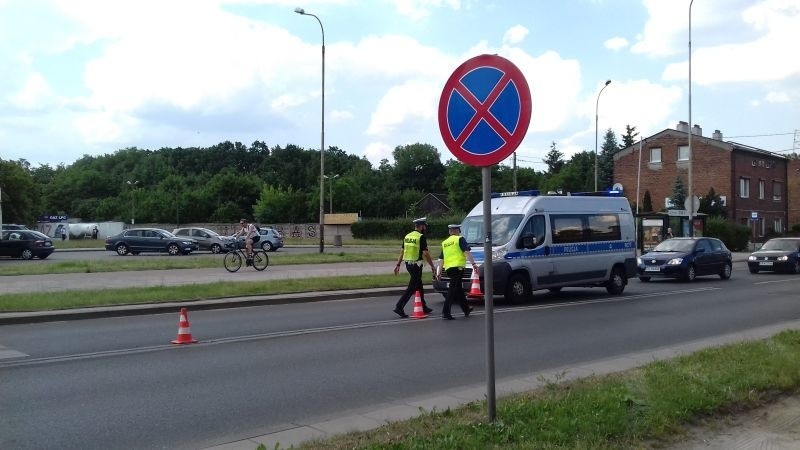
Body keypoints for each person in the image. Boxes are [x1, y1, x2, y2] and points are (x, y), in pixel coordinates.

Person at [392, 217, 435, 318]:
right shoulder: (421, 237)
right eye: (424, 226)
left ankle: (423, 306)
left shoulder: (407, 236)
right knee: (412, 287)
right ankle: (399, 306)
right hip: (416, 265)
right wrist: (432, 266)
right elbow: (425, 253)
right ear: (421, 226)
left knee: (419, 285)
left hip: (408, 264)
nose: (425, 228)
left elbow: (402, 251)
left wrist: (398, 265)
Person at [437, 224, 476, 320]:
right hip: (457, 268)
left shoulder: (445, 242)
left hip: (448, 269)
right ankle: (445, 312)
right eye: (459, 230)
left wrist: (439, 271)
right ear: (457, 230)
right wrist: (473, 264)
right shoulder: (460, 239)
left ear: (450, 231)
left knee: (458, 288)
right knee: (452, 289)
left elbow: (441, 258)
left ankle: (466, 309)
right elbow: (466, 252)